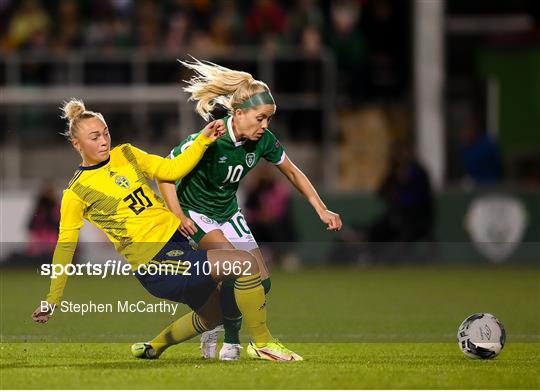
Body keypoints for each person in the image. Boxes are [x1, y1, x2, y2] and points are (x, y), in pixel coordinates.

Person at [31, 98, 302, 362]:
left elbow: (171, 169)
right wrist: (53, 298)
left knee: (214, 316)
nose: (103, 140)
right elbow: (65, 246)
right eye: (94, 137)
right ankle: (264, 344)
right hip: (157, 263)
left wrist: (202, 140)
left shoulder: (126, 153)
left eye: (105, 133)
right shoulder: (76, 192)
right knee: (244, 265)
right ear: (76, 144)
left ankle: (153, 347)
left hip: (179, 245)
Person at [157, 58, 342, 360]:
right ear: (239, 114)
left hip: (228, 212)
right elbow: (164, 173)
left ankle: (213, 319)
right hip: (196, 212)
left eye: (268, 119)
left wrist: (321, 209)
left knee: (262, 281)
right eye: (260, 118)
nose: (265, 126)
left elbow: (293, 171)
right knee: (239, 268)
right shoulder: (210, 138)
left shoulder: (262, 141)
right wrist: (177, 214)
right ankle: (236, 341)